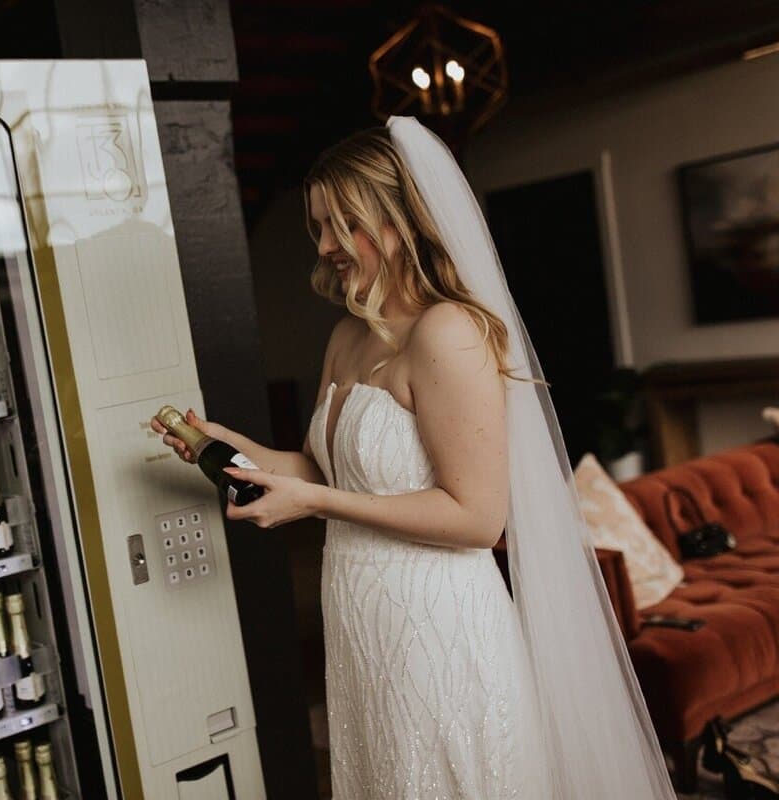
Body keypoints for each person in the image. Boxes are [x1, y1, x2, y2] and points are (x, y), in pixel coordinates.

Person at [152, 117, 677, 799]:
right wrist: (230, 444)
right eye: (318, 226)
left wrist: (314, 504)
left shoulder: (448, 332)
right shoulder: (349, 333)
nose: (327, 246)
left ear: (399, 219)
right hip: (362, 621)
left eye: (345, 224)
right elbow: (321, 470)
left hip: (441, 624)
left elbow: (477, 518)